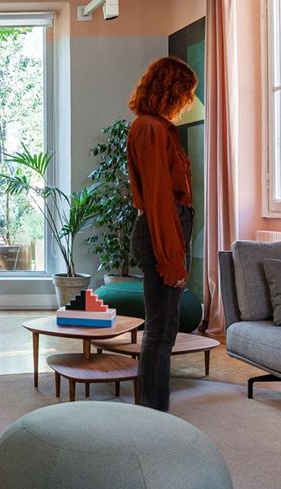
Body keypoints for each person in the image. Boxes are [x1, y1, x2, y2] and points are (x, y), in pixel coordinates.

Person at [125, 57, 198, 412]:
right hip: (161, 232)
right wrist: (172, 260)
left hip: (167, 229)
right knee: (161, 329)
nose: (188, 101)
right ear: (171, 91)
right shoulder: (150, 129)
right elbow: (158, 200)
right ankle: (153, 411)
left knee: (164, 328)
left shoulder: (156, 128)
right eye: (186, 93)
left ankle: (154, 408)